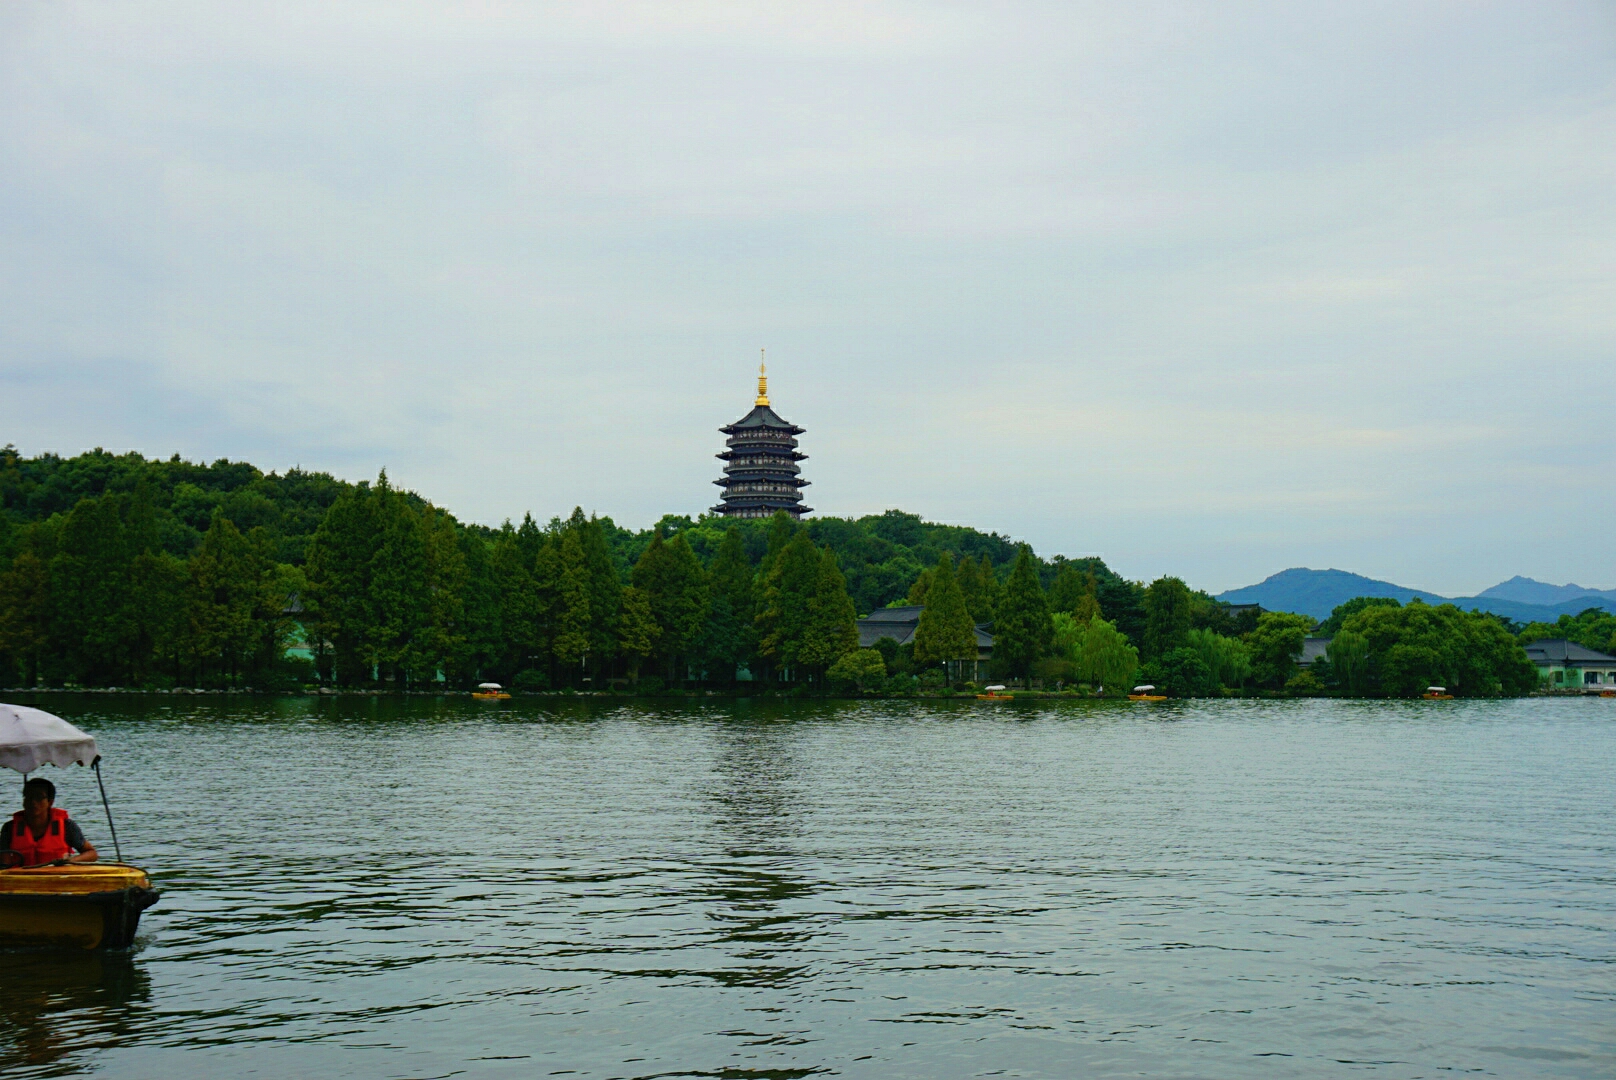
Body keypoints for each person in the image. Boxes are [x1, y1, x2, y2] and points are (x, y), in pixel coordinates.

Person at [1, 777, 98, 867]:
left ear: (50, 802)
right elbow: (4, 861)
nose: (33, 802)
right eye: (29, 797)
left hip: (57, 879)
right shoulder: (9, 828)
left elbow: (91, 853)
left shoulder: (67, 826)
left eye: (39, 797)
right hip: (20, 881)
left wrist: (71, 860)